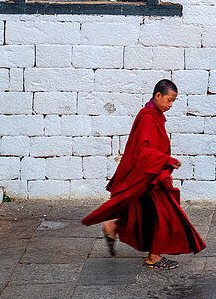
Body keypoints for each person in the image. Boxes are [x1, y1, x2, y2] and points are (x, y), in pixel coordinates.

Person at [82, 79, 205, 269]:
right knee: (164, 214)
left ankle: (113, 227)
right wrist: (165, 160)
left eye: (173, 101)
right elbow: (143, 151)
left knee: (145, 212)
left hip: (150, 174)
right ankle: (153, 257)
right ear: (158, 96)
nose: (171, 105)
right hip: (149, 174)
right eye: (169, 100)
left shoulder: (153, 114)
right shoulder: (148, 117)